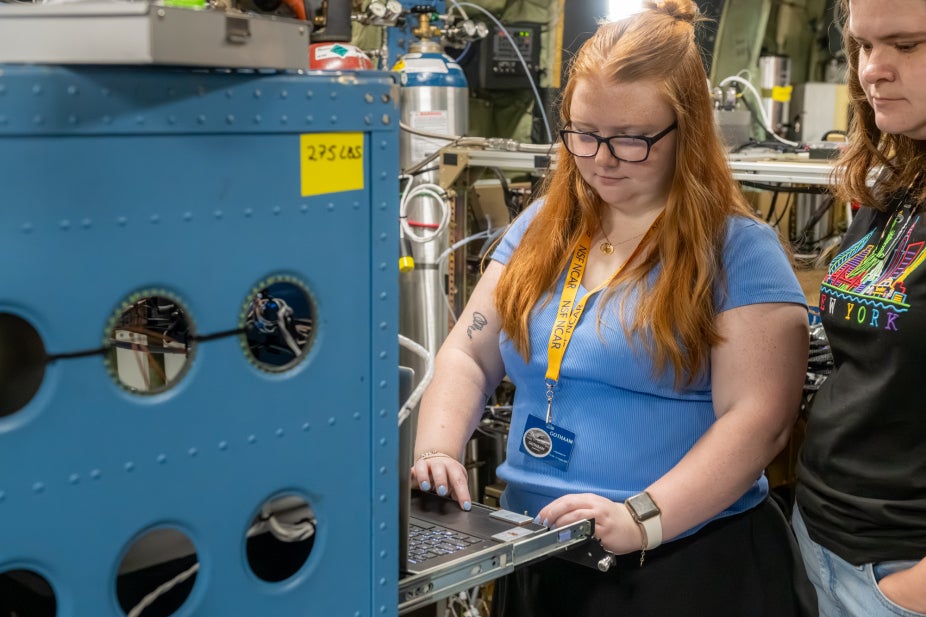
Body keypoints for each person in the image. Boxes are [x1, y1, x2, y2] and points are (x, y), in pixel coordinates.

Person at [412, 2, 811, 615]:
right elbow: (469, 350)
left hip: (677, 562)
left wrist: (643, 517)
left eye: (631, 139)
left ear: (689, 130)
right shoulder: (543, 227)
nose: (601, 159)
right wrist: (437, 450)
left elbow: (758, 420)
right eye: (583, 133)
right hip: (539, 551)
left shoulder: (738, 251)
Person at [793, 1, 926, 615]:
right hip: (821, 536)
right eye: (864, 46)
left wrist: (907, 593)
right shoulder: (903, 173)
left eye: (908, 45)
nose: (874, 68)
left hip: (898, 572)